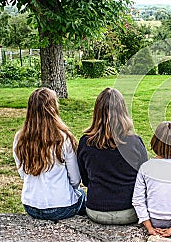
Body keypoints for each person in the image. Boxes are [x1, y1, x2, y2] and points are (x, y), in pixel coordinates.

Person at [13, 87, 86, 221]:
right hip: (61, 206)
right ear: (53, 108)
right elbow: (75, 180)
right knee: (83, 197)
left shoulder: (19, 138)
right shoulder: (64, 138)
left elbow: (23, 174)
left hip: (30, 205)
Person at [77, 87, 148, 225]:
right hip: (130, 210)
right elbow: (144, 177)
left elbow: (85, 180)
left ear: (97, 112)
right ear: (123, 111)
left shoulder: (86, 142)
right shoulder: (134, 142)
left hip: (95, 209)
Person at [132, 121, 171, 237]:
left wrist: (149, 227)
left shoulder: (145, 167)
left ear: (155, 141)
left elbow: (137, 200)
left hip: (152, 220)